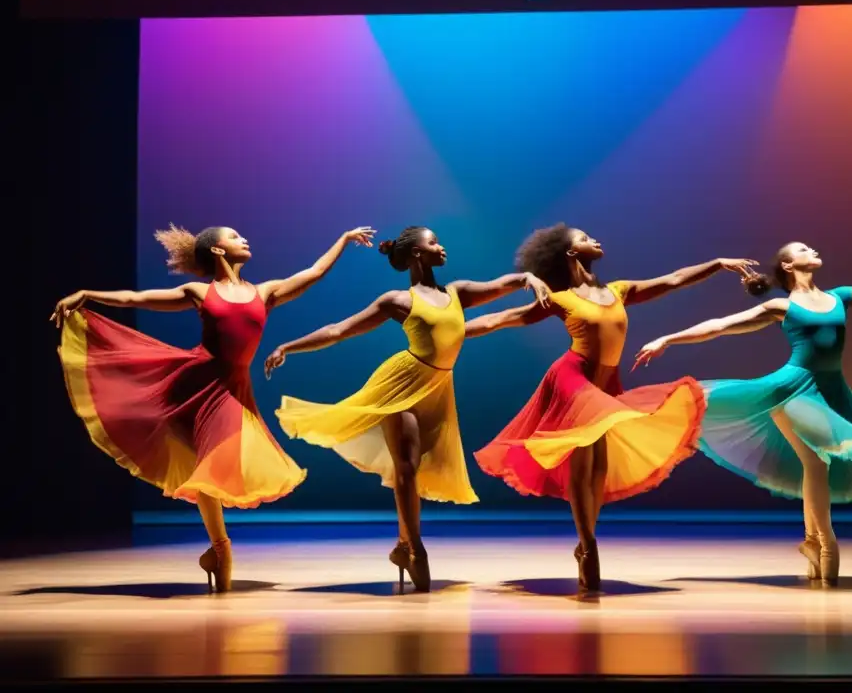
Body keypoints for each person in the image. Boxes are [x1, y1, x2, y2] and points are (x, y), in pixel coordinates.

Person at [51, 223, 376, 593]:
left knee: (212, 463)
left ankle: (217, 550)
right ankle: (221, 548)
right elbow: (134, 298)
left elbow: (313, 273)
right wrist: (87, 294)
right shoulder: (200, 292)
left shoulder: (264, 291)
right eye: (235, 236)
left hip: (235, 388)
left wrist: (344, 239)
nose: (244, 238)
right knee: (209, 463)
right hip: (197, 381)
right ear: (218, 251)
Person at [634, 241, 852, 586]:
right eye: (803, 249)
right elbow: (721, 325)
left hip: (832, 391)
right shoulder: (783, 306)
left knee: (815, 464)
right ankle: (826, 543)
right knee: (818, 462)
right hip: (791, 392)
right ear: (789, 266)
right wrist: (668, 339)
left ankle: (811, 543)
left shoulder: (839, 297)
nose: (813, 249)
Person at [464, 223, 757, 592]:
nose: (595, 239)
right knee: (583, 462)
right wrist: (449, 330)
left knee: (598, 468)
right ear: (571, 253)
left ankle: (585, 541)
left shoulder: (618, 291)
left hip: (605, 385)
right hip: (573, 380)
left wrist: (717, 263)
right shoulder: (560, 298)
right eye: (585, 238)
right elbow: (499, 319)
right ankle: (588, 546)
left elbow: (673, 280)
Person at [264, 225, 551, 593]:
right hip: (401, 385)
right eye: (433, 242)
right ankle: (415, 547)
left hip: (438, 387)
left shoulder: (456, 293)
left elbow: (499, 286)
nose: (441, 246)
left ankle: (402, 546)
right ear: (417, 253)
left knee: (417, 468)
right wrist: (288, 346)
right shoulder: (397, 301)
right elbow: (339, 330)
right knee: (407, 466)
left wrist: (527, 277)